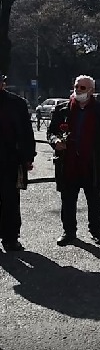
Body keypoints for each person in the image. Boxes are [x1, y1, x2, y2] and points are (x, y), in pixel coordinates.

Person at [47, 75, 100, 246]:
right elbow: (51, 132)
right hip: (68, 163)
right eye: (76, 87)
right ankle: (68, 232)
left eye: (83, 88)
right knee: (68, 200)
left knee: (94, 201)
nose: (78, 90)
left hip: (92, 163)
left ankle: (96, 231)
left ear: (92, 91)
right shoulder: (62, 109)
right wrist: (55, 141)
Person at [0, 72, 36, 251]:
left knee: (11, 201)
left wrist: (29, 156)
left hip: (10, 160)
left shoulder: (17, 103)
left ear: (3, 84)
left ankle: (11, 238)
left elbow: (26, 133)